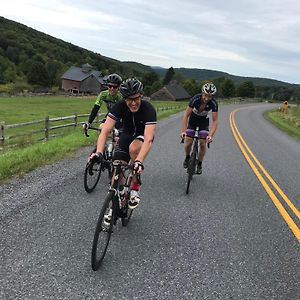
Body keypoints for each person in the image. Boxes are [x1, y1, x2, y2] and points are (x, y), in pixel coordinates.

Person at [89, 78, 157, 223]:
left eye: (135, 99)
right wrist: (99, 152)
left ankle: (135, 186)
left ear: (141, 95)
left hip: (141, 135)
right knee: (116, 165)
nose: (132, 103)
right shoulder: (119, 106)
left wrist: (139, 161)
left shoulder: (148, 109)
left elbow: (149, 138)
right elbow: (105, 130)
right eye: (128, 100)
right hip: (126, 134)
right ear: (124, 99)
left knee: (134, 150)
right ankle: (116, 201)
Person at [181, 82, 218, 174]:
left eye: (210, 96)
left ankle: (199, 163)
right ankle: (187, 157)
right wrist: (183, 131)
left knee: (202, 143)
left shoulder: (213, 103)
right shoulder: (195, 99)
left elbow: (215, 121)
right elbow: (186, 115)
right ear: (202, 93)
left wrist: (210, 135)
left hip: (203, 121)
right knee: (188, 141)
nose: (207, 98)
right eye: (205, 95)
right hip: (193, 119)